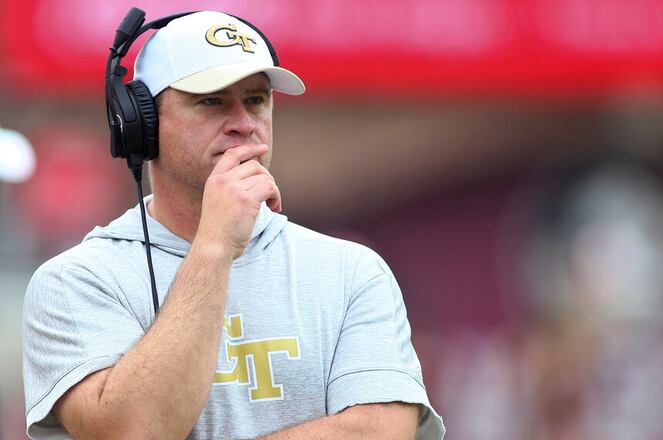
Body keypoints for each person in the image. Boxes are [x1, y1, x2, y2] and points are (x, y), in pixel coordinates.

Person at [22, 10, 444, 440]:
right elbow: (133, 431)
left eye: (257, 100)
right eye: (212, 101)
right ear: (143, 123)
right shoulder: (74, 282)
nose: (244, 123)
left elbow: (383, 430)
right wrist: (214, 247)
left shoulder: (352, 270)